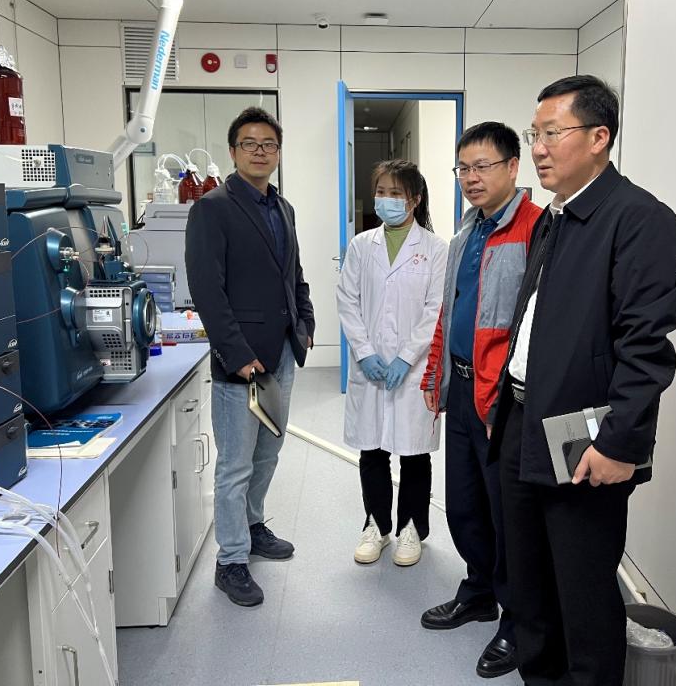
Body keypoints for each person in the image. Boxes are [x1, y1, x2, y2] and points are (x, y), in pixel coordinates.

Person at [487, 76, 676, 685]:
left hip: (583, 433)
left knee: (581, 588)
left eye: (552, 133)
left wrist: (618, 443)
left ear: (599, 138)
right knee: (529, 583)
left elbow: (645, 348)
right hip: (523, 418)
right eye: (535, 134)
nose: (538, 148)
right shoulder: (556, 217)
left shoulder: (640, 219)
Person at [419, 122, 541, 679]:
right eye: (463, 168)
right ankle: (478, 592)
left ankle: (517, 619)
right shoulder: (466, 232)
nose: (470, 178)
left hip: (504, 397)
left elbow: (533, 327)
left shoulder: (536, 229)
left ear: (513, 167)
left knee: (507, 512)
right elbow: (451, 309)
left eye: (482, 166)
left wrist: (503, 400)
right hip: (464, 386)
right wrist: (437, 373)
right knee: (465, 502)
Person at [185, 106, 315, 608]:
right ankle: (231, 560)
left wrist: (304, 324)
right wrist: (235, 353)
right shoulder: (212, 208)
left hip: (281, 352)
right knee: (236, 464)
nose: (260, 151)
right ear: (233, 151)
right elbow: (207, 289)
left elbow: (293, 275)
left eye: (269, 144)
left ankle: (253, 525)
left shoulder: (283, 208)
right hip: (241, 363)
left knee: (268, 453)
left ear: (278, 152)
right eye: (250, 143)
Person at [336, 159, 447, 568]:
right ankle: (377, 525)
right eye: (381, 192)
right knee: (372, 450)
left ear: (414, 199)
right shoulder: (361, 245)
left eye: (395, 193)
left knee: (414, 453)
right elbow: (347, 300)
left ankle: (411, 528)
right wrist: (365, 352)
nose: (386, 200)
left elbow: (436, 309)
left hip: (414, 370)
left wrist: (405, 357)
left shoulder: (436, 249)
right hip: (369, 367)